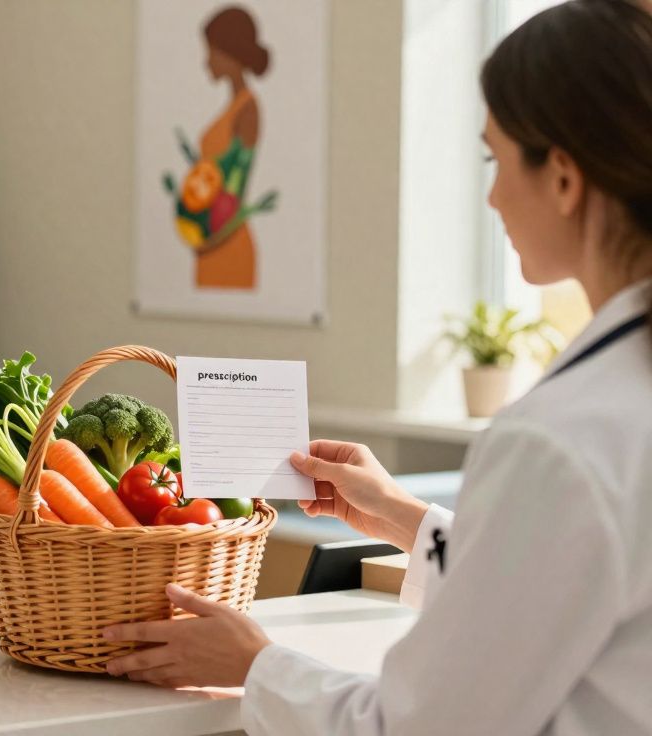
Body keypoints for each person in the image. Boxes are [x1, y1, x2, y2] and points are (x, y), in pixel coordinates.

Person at [105, 1, 652, 732]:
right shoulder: (613, 410)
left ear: (562, 177)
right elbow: (563, 584)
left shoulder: (556, 442)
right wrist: (404, 517)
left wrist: (255, 665)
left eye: (493, 160)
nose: (491, 196)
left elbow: (414, 726)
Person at [194, 6, 270, 290]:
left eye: (211, 52)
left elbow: (236, 188)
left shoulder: (247, 111)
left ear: (230, 52)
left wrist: (209, 240)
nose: (206, 62)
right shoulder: (233, 108)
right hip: (210, 238)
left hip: (225, 241)